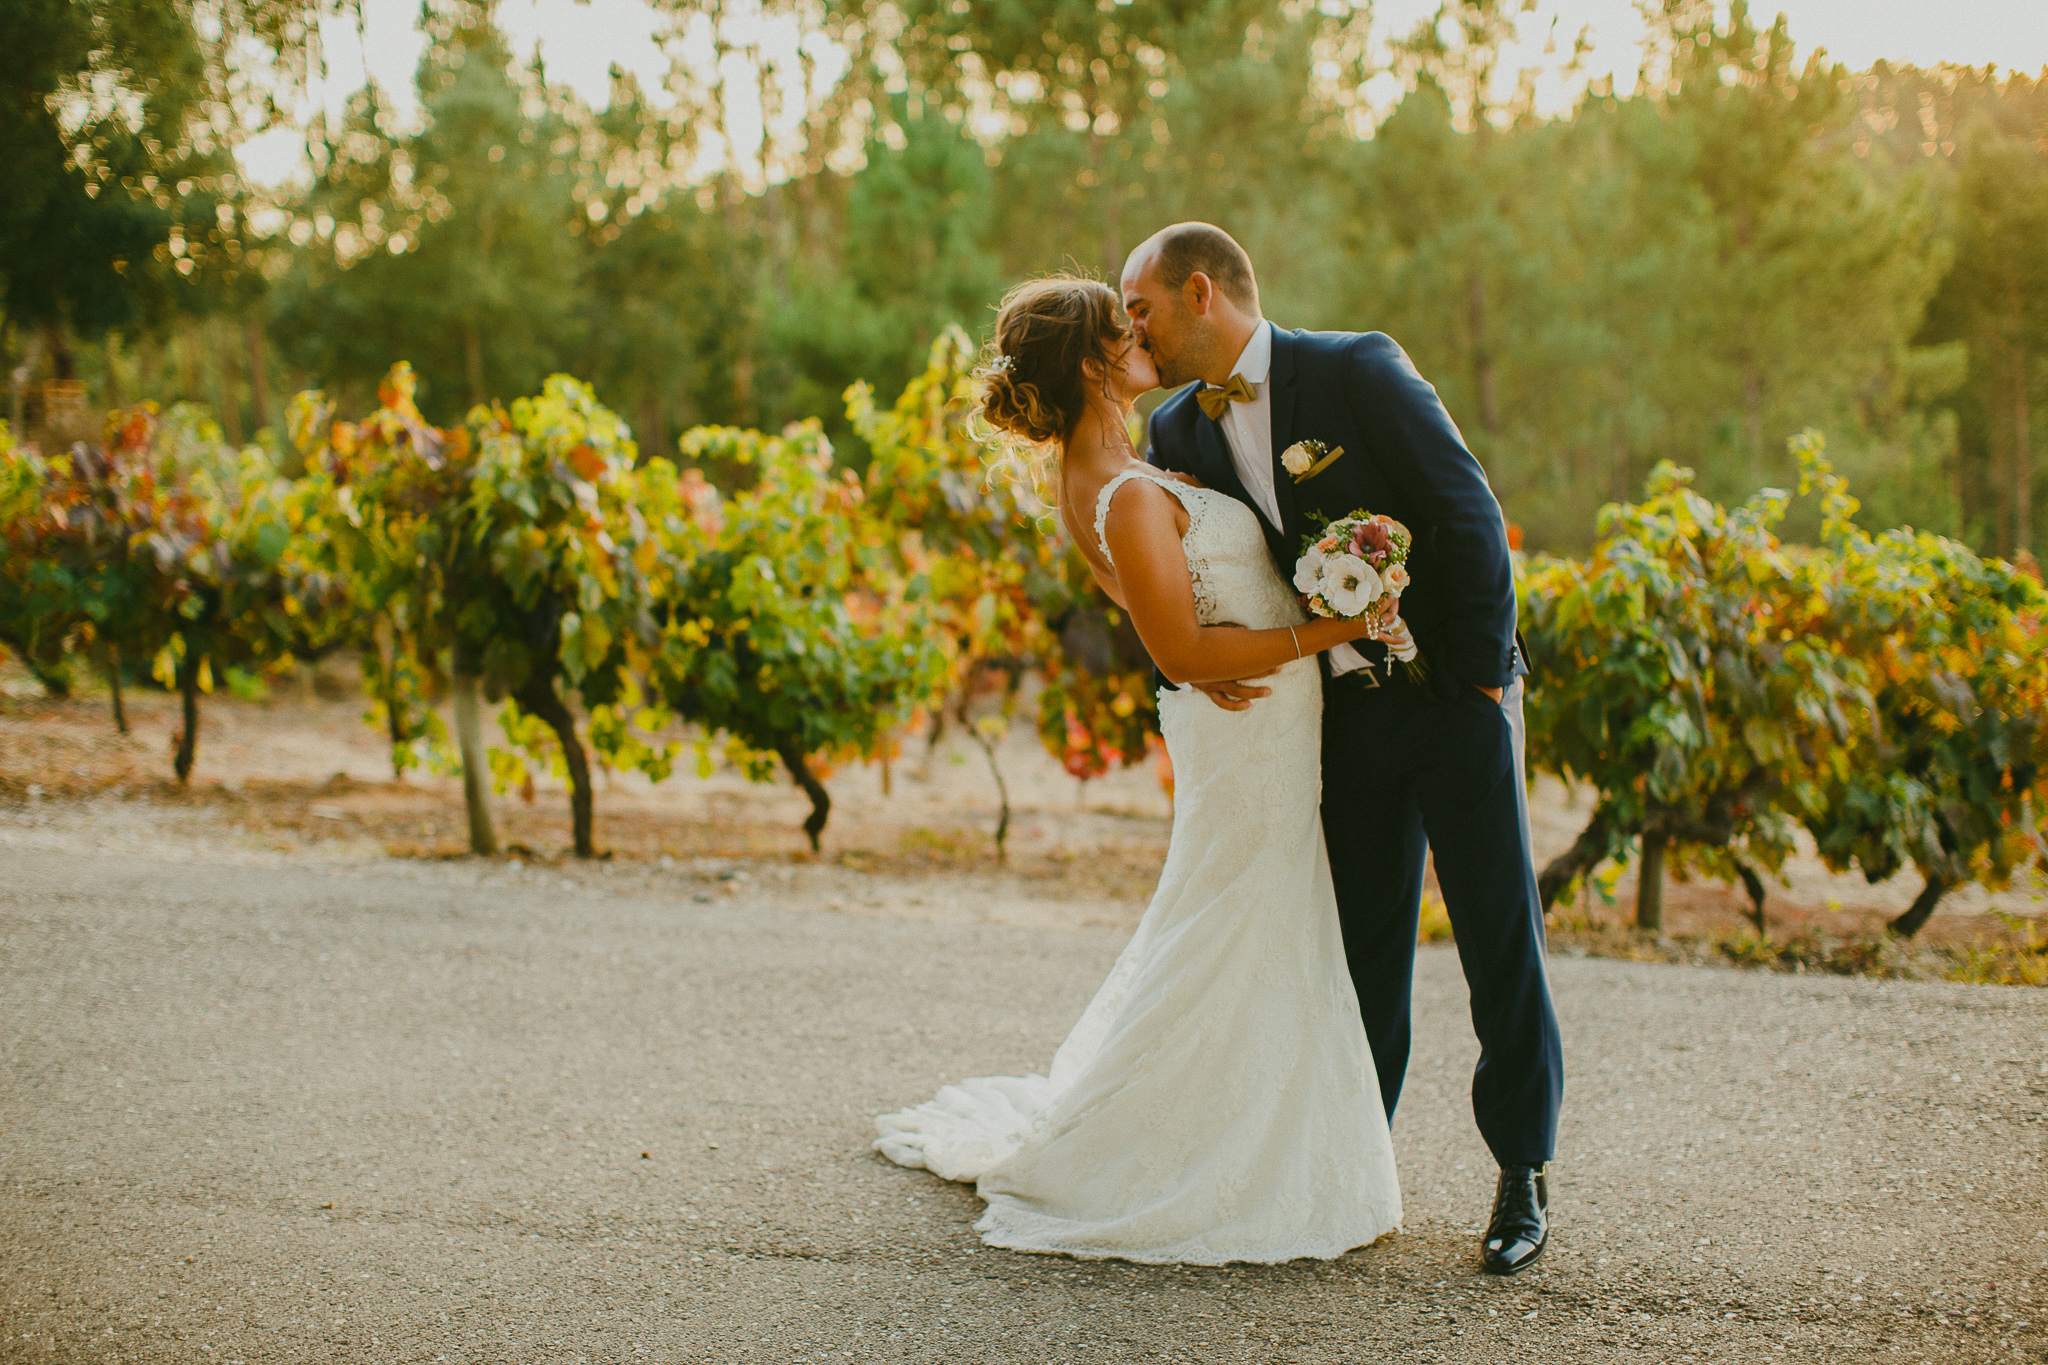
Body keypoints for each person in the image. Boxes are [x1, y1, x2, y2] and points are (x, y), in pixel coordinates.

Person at [872, 274, 1404, 1264]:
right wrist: (1334, 627)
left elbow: (1177, 610)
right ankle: (1189, 1149)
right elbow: (1182, 654)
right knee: (1235, 921)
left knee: (1255, 920)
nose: (1143, 338)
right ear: (1090, 361)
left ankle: (1258, 1132)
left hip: (1260, 723)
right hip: (1245, 731)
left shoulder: (1120, 465)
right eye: (1125, 330)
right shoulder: (1113, 489)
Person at [1124, 222, 1562, 1276]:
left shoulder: (1354, 367)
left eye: (1138, 307)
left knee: (1497, 942)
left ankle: (1521, 1178)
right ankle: (1351, 1172)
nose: (1130, 328)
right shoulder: (1176, 431)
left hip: (1450, 704)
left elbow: (1465, 512)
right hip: (1334, 728)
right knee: (1361, 954)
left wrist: (1478, 681)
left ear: (1199, 294)